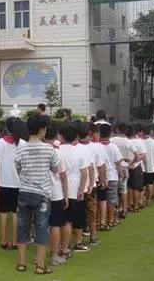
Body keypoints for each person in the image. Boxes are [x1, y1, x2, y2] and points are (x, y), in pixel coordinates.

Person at [14, 114, 61, 275]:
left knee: (22, 227)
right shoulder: (49, 149)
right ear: (42, 131)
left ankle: (21, 263)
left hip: (25, 192)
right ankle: (40, 265)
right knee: (42, 228)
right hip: (42, 194)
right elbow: (56, 169)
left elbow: (18, 168)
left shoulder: (21, 148)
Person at [59, 123, 90, 254]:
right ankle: (74, 243)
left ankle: (62, 245)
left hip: (60, 190)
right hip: (76, 189)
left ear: (61, 136)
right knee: (75, 219)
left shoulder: (57, 151)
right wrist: (81, 190)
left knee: (63, 220)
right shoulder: (80, 151)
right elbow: (84, 173)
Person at [0, 117, 21, 250]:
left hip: (4, 181)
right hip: (18, 182)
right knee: (15, 213)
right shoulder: (22, 143)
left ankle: (3, 240)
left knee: (3, 213)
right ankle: (15, 241)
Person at [44, 125, 68, 266]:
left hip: (42, 192)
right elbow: (63, 176)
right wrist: (66, 195)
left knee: (43, 225)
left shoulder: (38, 150)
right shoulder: (57, 152)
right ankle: (53, 255)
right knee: (55, 225)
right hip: (55, 193)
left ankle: (46, 253)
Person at [101, 124, 123, 228]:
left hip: (101, 177)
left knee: (101, 200)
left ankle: (101, 221)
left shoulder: (97, 146)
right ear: (110, 133)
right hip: (112, 176)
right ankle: (111, 220)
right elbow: (118, 163)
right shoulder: (113, 147)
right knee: (111, 200)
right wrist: (121, 173)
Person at [143, 124, 154, 207]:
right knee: (150, 183)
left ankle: (145, 199)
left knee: (144, 184)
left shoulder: (141, 141)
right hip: (151, 165)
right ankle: (148, 199)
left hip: (143, 166)